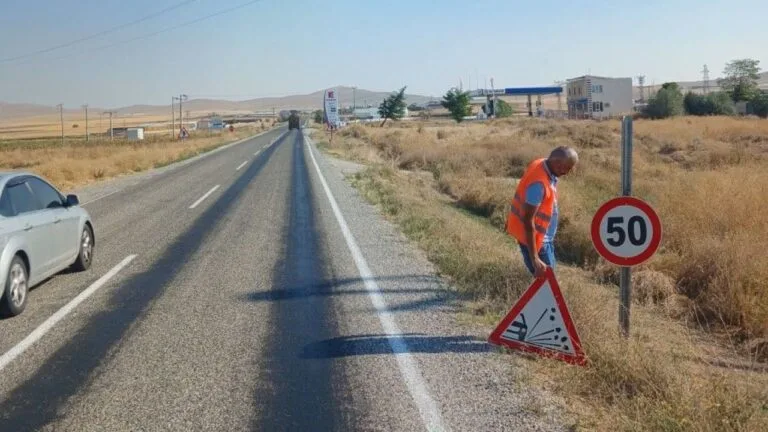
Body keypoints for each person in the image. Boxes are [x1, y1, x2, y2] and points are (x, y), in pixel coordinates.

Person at [505, 146, 579, 278]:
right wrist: (535, 258)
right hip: (539, 242)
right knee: (548, 284)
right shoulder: (539, 184)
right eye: (567, 168)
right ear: (557, 164)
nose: (568, 172)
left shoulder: (541, 164)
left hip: (542, 238)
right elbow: (528, 220)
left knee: (545, 283)